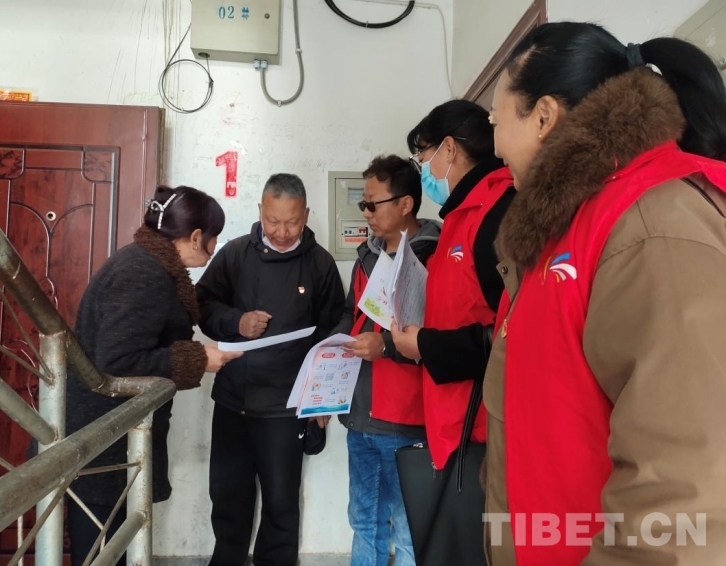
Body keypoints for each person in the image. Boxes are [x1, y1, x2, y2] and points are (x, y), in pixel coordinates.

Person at [484, 22, 726, 565]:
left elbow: (687, 494)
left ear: (543, 116)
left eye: (497, 122)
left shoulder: (651, 227)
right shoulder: (560, 232)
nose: (494, 146)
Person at [65, 185, 240, 566]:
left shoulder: (147, 263)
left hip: (109, 438)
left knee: (113, 549)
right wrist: (199, 358)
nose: (213, 249)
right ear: (196, 237)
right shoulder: (144, 272)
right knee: (100, 554)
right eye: (214, 239)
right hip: (103, 441)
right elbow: (118, 360)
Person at [196, 173, 345, 566]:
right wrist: (236, 321)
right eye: (273, 220)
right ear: (260, 210)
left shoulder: (320, 264)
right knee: (227, 499)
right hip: (233, 401)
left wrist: (322, 400)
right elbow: (203, 305)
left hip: (286, 406)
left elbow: (334, 334)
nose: (281, 232)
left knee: (281, 505)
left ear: (306, 215)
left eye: (291, 222)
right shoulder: (234, 254)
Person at [390, 100, 515, 564]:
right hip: (455, 422)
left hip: (484, 431)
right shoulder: (460, 218)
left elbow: (512, 334)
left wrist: (424, 344)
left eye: (422, 158)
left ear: (448, 149)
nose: (424, 171)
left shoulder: (499, 213)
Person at [335, 155, 441, 566]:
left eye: (373, 203)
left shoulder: (435, 256)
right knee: (364, 522)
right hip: (360, 415)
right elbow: (351, 315)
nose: (366, 212)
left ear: (405, 204)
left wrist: (386, 346)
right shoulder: (367, 254)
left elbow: (437, 335)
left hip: (407, 418)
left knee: (410, 526)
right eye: (364, 203)